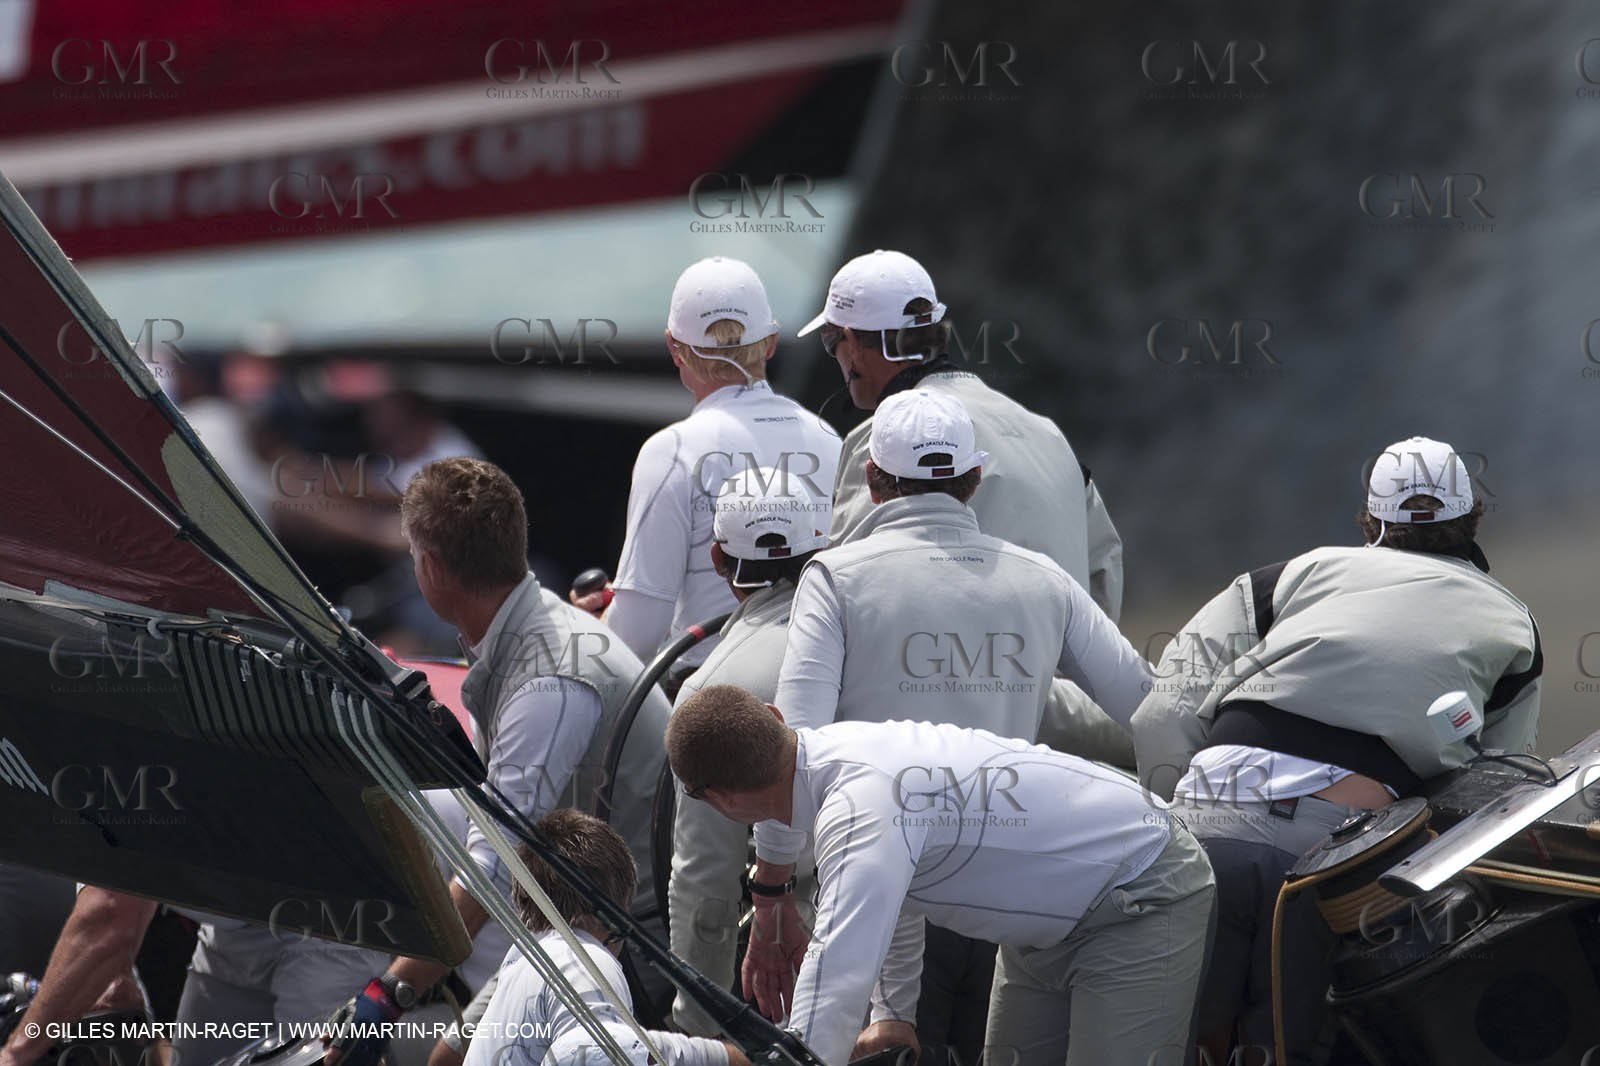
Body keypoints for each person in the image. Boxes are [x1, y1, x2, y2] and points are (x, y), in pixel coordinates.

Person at [744, 389, 1152, 1066]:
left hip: (886, 908)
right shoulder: (1044, 580)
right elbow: (1149, 705)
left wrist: (772, 890)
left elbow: (794, 748)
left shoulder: (835, 578)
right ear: (975, 478)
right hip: (1018, 905)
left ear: (872, 479)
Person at [1130, 435, 1543, 1065]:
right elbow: (1497, 795)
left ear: (1371, 519)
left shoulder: (1283, 578)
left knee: (1166, 1044)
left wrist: (1183, 821)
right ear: (1473, 516)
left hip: (1196, 825)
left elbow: (1160, 712)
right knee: (1289, 1048)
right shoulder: (1513, 624)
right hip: (1330, 857)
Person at [328, 458, 673, 1066]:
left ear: (431, 568)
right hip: (579, 917)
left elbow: (491, 868)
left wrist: (387, 995)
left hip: (630, 945)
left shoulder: (548, 681)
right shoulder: (528, 636)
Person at [667, 686, 1215, 1066]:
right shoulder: (841, 756)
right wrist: (892, 1014)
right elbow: (895, 890)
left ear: (720, 799)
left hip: (1140, 887)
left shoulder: (857, 810)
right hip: (1052, 918)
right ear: (775, 717)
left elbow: (836, 973)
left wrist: (791, 1057)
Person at [797, 249, 1122, 619]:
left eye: (831, 342)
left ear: (852, 344)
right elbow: (1104, 568)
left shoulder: (880, 440)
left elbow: (847, 588)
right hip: (1068, 653)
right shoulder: (1048, 434)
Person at [589, 257, 841, 686]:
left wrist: (589, 623)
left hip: (709, 697)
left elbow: (636, 636)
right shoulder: (829, 439)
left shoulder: (671, 452)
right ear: (771, 343)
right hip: (817, 684)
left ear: (674, 347)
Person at [665, 470, 831, 1035]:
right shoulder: (883, 627)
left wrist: (698, 1030)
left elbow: (704, 880)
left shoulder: (710, 691)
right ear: (821, 542)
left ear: (718, 558)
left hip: (804, 957)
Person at [463, 809, 744, 1066]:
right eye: (622, 927)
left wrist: (724, 1057)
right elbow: (595, 1053)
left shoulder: (523, 967)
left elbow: (617, 1044)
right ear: (611, 914)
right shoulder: (581, 957)